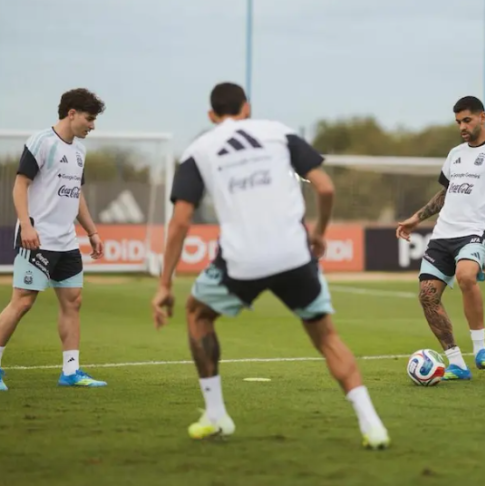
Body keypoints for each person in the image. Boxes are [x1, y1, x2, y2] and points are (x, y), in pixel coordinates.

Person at [151, 82, 389, 448]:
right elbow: (325, 188)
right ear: (247, 107)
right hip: (295, 254)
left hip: (241, 260)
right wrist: (320, 233)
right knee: (326, 336)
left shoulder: (199, 149)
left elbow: (180, 221)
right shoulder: (279, 132)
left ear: (212, 115)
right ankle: (372, 425)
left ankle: (216, 416)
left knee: (197, 313)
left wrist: (164, 284)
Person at [396, 96, 485, 380]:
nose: (462, 126)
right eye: (458, 121)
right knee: (426, 297)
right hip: (443, 233)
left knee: (466, 275)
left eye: (467, 120)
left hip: (475, 231)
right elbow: (445, 193)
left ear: (482, 117)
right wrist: (416, 218)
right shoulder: (455, 154)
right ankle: (457, 363)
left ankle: (481, 350)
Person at [0, 88, 107, 391]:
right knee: (23, 302)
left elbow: (77, 196)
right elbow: (20, 185)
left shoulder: (79, 152)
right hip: (36, 240)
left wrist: (91, 231)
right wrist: (26, 226)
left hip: (66, 241)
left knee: (73, 302)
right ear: (71, 113)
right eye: (90, 119)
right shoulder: (41, 142)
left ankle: (71, 371)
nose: (93, 126)